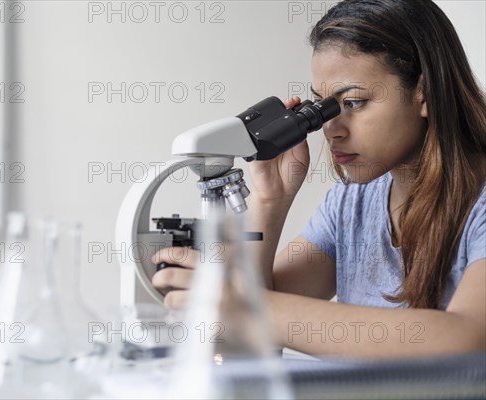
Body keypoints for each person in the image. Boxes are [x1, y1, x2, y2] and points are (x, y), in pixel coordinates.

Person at [151, 0, 486, 358]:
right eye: (323, 107)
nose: (331, 129)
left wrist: (248, 309)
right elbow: (255, 330)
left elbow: (469, 338)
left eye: (354, 102)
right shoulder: (352, 202)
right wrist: (270, 199)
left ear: (425, 93)